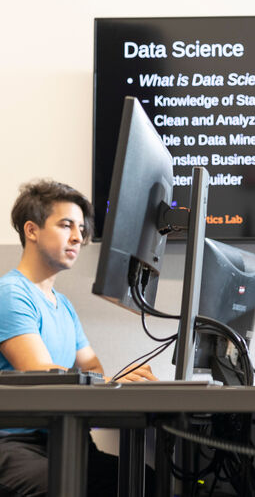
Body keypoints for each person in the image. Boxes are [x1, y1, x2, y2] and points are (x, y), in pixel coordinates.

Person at [0, 179, 155, 497]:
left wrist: (119, 379)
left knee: (145, 481)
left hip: (63, 440)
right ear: (32, 230)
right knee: (68, 486)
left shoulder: (63, 305)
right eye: (66, 225)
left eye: (81, 228)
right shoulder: (12, 294)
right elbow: (41, 375)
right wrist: (112, 380)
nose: (78, 237)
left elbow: (92, 368)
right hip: (17, 444)